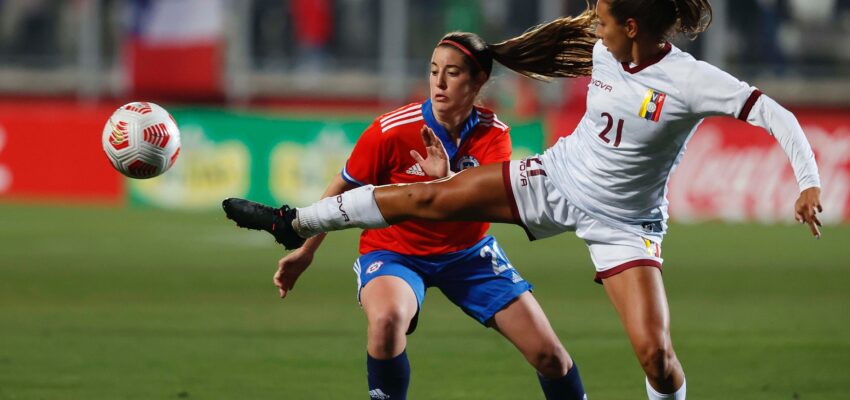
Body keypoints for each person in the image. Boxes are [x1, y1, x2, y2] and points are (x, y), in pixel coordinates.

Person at [224, 0, 824, 399]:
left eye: (605, 14)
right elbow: (560, 41)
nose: (595, 22)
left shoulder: (693, 80)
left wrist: (808, 180)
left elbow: (776, 114)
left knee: (657, 357)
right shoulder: (606, 46)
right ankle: (292, 222)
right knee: (427, 197)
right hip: (556, 180)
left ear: (633, 26)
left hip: (625, 224)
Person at [226, 21, 599, 399]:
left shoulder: (494, 134)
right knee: (386, 322)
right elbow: (344, 188)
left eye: (451, 74)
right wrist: (306, 251)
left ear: (477, 81)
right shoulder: (391, 130)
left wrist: (449, 178)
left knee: (550, 355)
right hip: (395, 253)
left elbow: (487, 202)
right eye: (434, 71)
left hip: (468, 255)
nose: (438, 83)